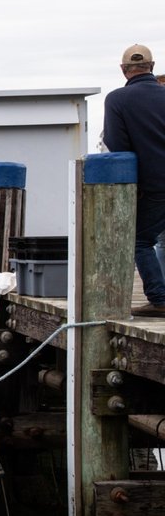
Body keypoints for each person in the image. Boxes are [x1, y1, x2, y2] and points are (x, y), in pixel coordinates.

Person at [99, 44, 165, 316]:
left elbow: (117, 145)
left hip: (154, 185)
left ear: (123, 70)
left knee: (139, 240)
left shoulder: (117, 99)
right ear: (152, 66)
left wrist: (132, 186)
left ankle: (159, 299)